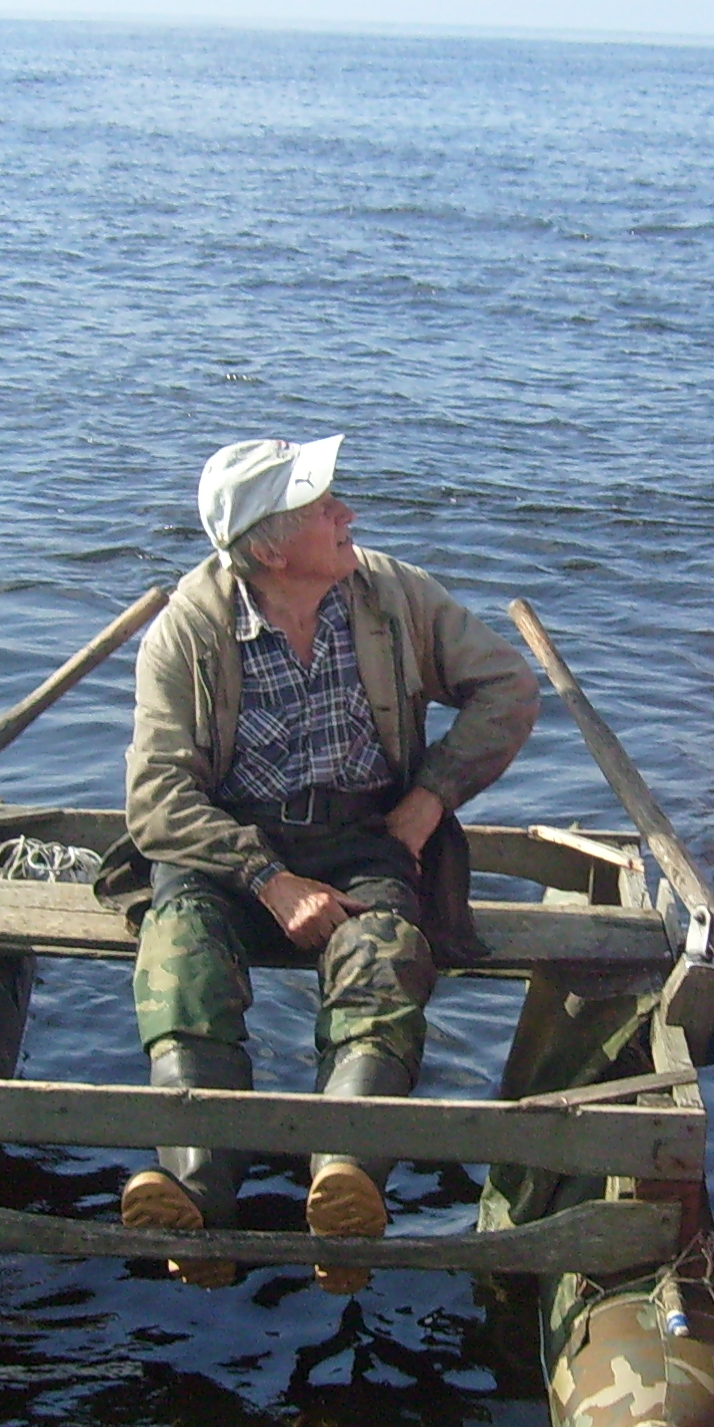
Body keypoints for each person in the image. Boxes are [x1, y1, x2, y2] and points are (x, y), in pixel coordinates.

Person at [110, 433, 539, 1294]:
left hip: (361, 831)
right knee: (181, 950)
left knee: (385, 957)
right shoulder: (188, 633)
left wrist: (425, 805)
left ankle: (343, 1181)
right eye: (321, 506)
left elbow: (510, 688)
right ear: (269, 546)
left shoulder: (391, 595)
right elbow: (158, 801)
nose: (348, 515)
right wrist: (269, 879)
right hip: (229, 846)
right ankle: (198, 1192)